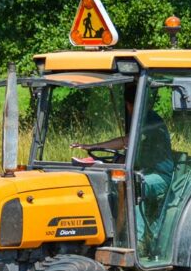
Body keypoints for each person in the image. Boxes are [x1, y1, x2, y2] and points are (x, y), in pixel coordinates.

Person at [71, 85, 173, 246]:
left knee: (134, 186)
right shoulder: (144, 119)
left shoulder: (150, 120)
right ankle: (114, 234)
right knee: (116, 182)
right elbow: (137, 148)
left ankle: (136, 242)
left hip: (159, 175)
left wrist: (92, 146)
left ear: (130, 105)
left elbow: (127, 141)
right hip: (144, 170)